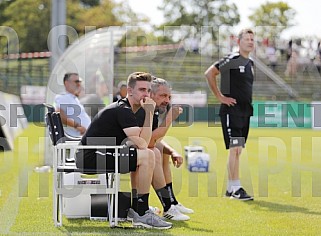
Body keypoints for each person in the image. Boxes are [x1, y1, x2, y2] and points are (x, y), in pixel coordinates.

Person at [75, 72, 172, 229]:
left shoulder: (130, 109)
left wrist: (147, 114)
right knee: (146, 155)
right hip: (90, 157)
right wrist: (149, 112)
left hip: (101, 152)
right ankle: (141, 212)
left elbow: (143, 142)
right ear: (130, 90)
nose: (145, 94)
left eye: (147, 90)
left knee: (146, 155)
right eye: (141, 90)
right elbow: (143, 144)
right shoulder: (123, 109)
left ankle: (138, 209)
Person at [204, 28, 255, 201]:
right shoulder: (233, 59)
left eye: (252, 39)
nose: (250, 42)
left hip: (245, 113)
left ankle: (230, 188)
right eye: (247, 39)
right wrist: (219, 96)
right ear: (238, 42)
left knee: (238, 150)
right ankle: (235, 188)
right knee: (235, 149)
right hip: (231, 112)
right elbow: (210, 73)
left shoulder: (251, 64)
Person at [133, 77, 194, 221]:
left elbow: (154, 140)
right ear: (150, 94)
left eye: (169, 96)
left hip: (129, 150)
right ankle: (167, 206)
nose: (167, 100)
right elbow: (149, 142)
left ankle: (172, 202)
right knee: (153, 152)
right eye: (163, 96)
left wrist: (172, 151)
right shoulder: (143, 110)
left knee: (162, 153)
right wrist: (169, 119)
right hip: (115, 152)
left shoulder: (151, 110)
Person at [54, 73, 91, 137]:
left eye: (79, 82)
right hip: (76, 138)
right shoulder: (64, 97)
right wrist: (78, 126)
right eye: (76, 82)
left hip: (82, 137)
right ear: (66, 83)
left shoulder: (73, 98)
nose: (79, 84)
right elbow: (59, 116)